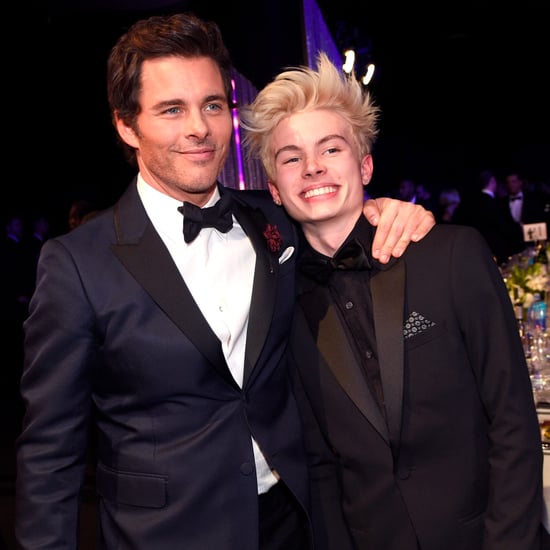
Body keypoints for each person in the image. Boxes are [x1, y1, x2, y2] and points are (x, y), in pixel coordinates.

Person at [14, 13, 435, 550]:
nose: (200, 128)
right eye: (172, 110)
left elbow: (341, 216)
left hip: (296, 520)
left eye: (212, 105)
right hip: (166, 533)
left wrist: (390, 211)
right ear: (126, 124)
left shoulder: (274, 221)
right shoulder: (76, 264)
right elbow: (51, 450)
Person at [240, 52, 544, 550]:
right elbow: (320, 467)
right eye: (291, 157)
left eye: (331, 149)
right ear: (275, 188)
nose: (312, 167)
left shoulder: (451, 256)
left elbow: (513, 422)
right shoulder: (283, 303)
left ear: (365, 165)